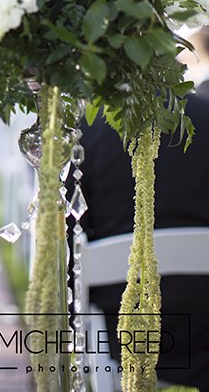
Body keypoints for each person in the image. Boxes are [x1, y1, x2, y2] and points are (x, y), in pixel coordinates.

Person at [72, 90, 209, 391]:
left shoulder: (87, 130)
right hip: (204, 316)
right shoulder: (205, 113)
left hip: (123, 321)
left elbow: (70, 236)